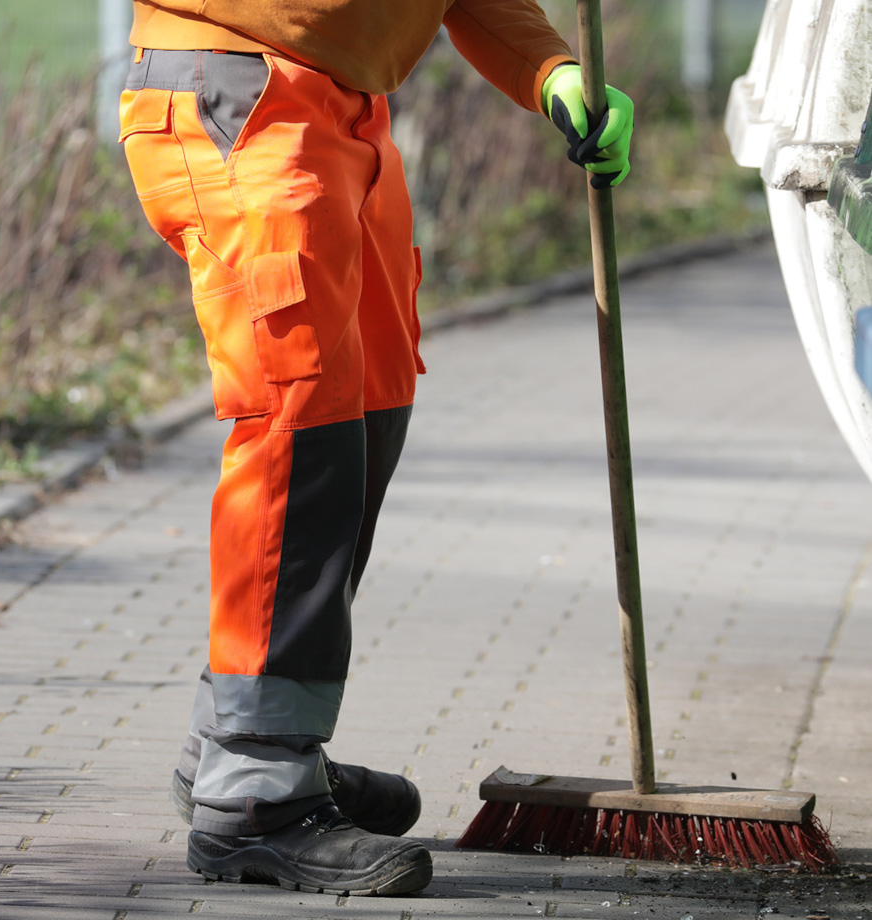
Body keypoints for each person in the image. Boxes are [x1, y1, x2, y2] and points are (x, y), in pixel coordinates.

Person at [117, 0, 634, 897]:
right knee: (299, 422)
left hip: (347, 107)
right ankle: (257, 790)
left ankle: (235, 738)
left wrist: (550, 69)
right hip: (244, 81)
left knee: (368, 412)